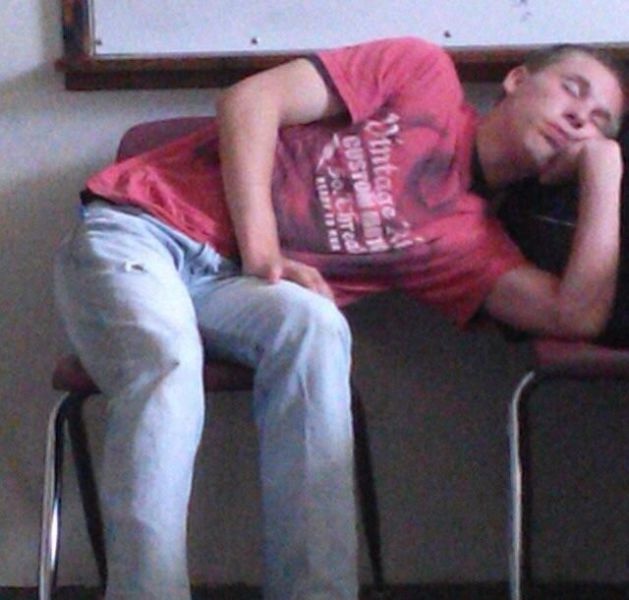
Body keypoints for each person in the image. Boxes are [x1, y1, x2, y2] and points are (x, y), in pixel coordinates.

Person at [54, 36, 626, 600]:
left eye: (599, 122)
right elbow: (249, 100)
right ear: (518, 79)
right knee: (168, 360)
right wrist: (263, 250)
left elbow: (574, 314)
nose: (580, 118)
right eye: (572, 91)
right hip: (142, 229)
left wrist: (603, 175)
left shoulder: (468, 243)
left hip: (236, 289)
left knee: (319, 327)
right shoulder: (420, 72)